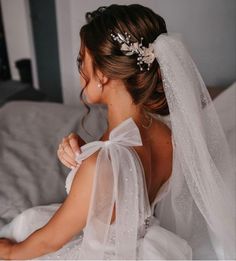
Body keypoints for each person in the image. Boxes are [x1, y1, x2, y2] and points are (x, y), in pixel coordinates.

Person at [0, 4, 235, 260]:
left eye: (82, 60)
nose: (80, 72)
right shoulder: (168, 135)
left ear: (101, 75)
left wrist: (10, 253)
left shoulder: (99, 167)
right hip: (149, 247)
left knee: (22, 231)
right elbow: (128, 183)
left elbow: (48, 241)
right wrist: (86, 152)